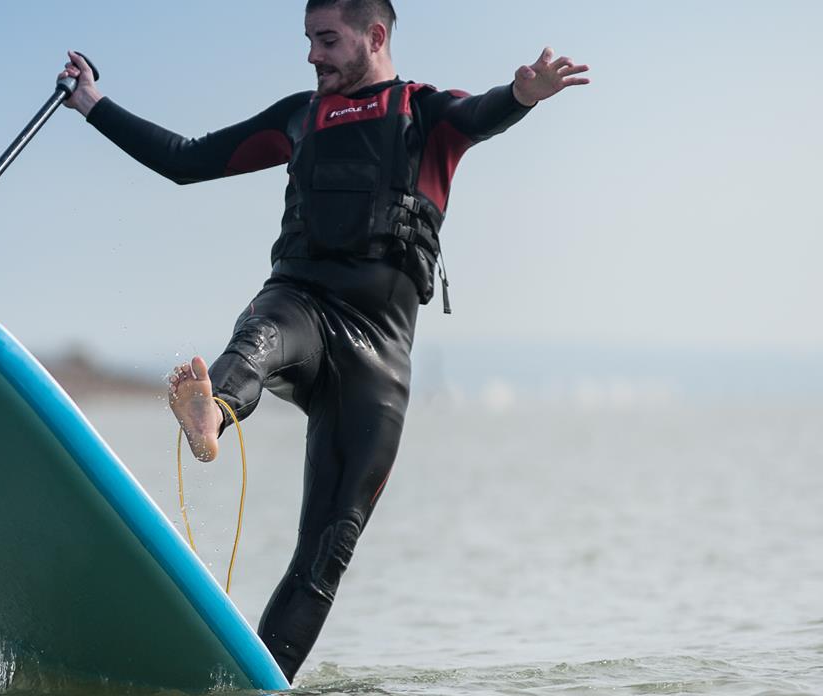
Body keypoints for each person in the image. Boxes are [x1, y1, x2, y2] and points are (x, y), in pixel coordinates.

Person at [57, 0, 589, 680]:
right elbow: (187, 160)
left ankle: (256, 685)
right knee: (265, 333)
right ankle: (210, 411)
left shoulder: (424, 113)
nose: (312, 55)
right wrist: (92, 103)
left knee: (325, 554)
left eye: (327, 39)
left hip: (380, 359)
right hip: (302, 302)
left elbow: (487, 109)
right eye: (308, 40)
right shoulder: (300, 117)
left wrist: (525, 94)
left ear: (375, 35)